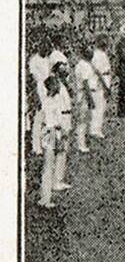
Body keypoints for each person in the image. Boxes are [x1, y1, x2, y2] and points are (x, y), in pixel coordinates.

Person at [37, 72, 73, 208]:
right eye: (56, 84)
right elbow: (53, 122)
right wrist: (58, 137)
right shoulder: (50, 101)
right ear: (51, 87)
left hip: (52, 132)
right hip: (51, 132)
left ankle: (45, 197)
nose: (58, 86)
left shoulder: (52, 100)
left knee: (49, 165)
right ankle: (46, 199)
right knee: (49, 166)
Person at [72, 45, 98, 153]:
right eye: (89, 52)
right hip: (85, 94)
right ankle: (81, 145)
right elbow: (85, 83)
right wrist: (90, 99)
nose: (91, 54)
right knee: (82, 120)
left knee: (85, 120)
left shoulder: (82, 65)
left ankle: (83, 143)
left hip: (84, 93)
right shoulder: (84, 66)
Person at [90, 35, 112, 137]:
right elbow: (99, 72)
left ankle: (96, 129)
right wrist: (105, 86)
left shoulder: (102, 54)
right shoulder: (98, 55)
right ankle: (95, 130)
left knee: (101, 107)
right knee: (98, 107)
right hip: (99, 82)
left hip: (104, 79)